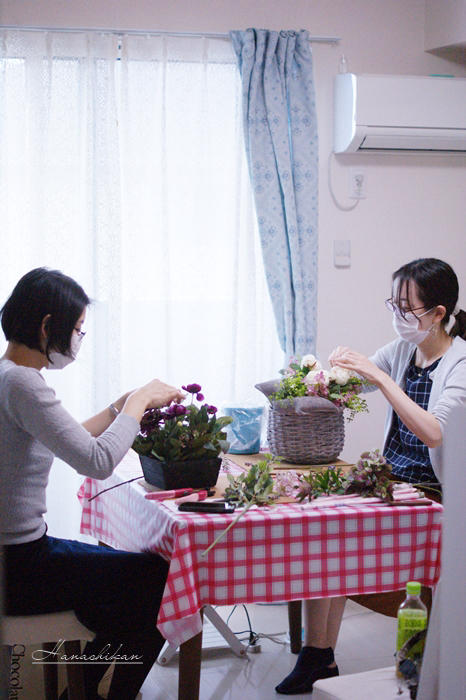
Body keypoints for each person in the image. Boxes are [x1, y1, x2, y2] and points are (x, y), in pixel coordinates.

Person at [275, 258, 466, 695]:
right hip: (391, 478)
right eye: (393, 305)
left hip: (431, 491)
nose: (398, 317)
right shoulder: (402, 351)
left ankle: (318, 655)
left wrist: (379, 376)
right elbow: (353, 385)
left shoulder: (459, 364)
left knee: (335, 532)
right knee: (318, 521)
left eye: (407, 308)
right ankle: (317, 654)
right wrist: (326, 373)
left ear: (438, 313)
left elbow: (435, 432)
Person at [0, 267, 185, 699]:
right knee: (159, 582)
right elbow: (97, 461)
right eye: (78, 329)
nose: (78, 341)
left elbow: (59, 440)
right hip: (20, 566)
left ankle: (83, 692)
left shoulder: (9, 377)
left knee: (129, 589)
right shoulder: (25, 386)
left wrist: (117, 407)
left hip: (17, 557)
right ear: (48, 325)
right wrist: (137, 406)